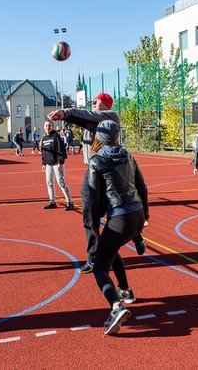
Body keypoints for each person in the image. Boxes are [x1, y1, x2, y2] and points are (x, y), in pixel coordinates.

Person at [48, 92, 146, 274]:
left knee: (105, 209)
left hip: (111, 167)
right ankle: (124, 240)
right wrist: (65, 116)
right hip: (95, 168)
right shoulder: (93, 120)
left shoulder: (111, 116)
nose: (92, 103)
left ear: (106, 105)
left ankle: (105, 251)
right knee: (96, 210)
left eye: (96, 101)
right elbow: (83, 119)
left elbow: (87, 116)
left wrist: (66, 111)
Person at [85, 120, 149, 335]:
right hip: (137, 214)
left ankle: (116, 306)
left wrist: (94, 224)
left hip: (119, 216)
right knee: (111, 249)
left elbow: (93, 198)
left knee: (100, 267)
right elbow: (142, 186)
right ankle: (125, 291)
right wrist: (146, 215)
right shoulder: (128, 155)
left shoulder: (96, 161)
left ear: (99, 138)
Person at [40, 120, 74, 211]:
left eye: (49, 125)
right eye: (46, 126)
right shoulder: (44, 138)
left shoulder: (56, 136)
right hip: (48, 164)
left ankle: (69, 202)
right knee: (49, 183)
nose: (48, 127)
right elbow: (43, 152)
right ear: (44, 127)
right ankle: (52, 201)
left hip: (57, 164)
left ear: (52, 127)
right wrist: (43, 163)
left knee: (61, 183)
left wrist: (60, 162)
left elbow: (61, 150)